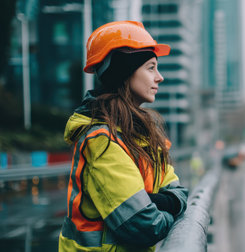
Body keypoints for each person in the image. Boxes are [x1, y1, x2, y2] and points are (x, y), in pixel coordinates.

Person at [58, 21, 188, 251]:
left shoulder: (145, 136)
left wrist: (154, 201)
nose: (160, 77)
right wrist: (171, 215)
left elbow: (179, 192)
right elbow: (144, 225)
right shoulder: (101, 141)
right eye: (151, 67)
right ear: (125, 72)